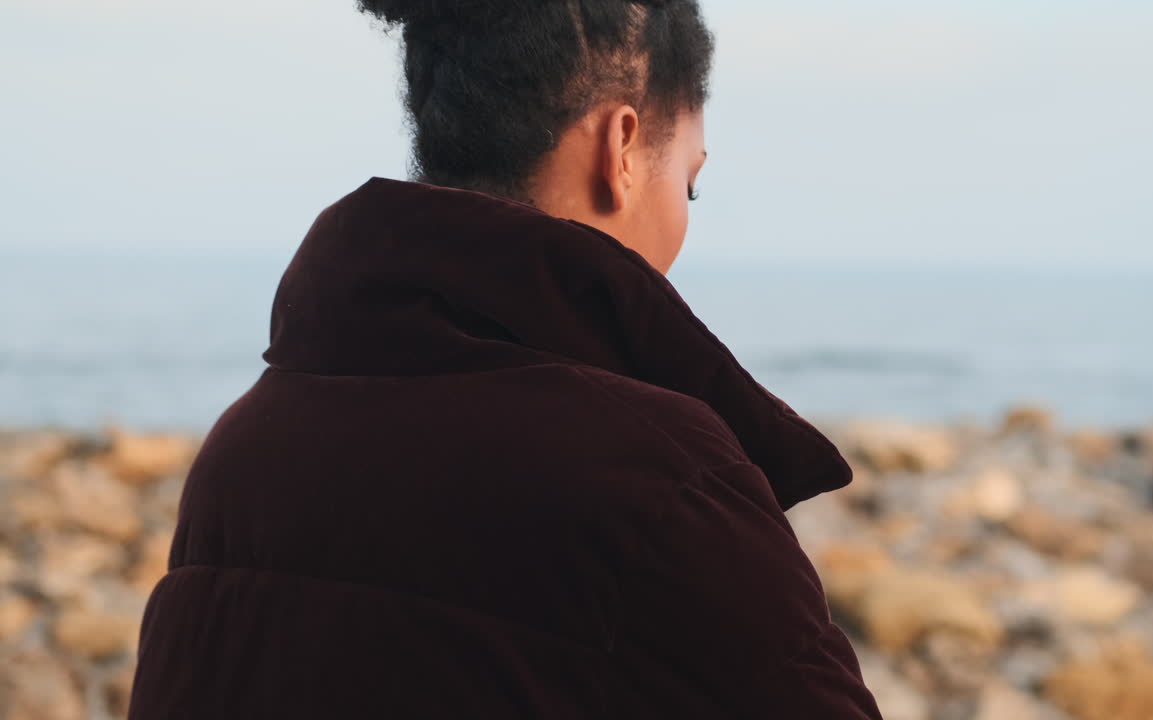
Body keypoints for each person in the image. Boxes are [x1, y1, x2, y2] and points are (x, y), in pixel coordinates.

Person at [127, 1, 883, 718]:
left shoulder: (242, 454)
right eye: (690, 183)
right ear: (620, 148)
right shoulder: (665, 485)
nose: (684, 214)